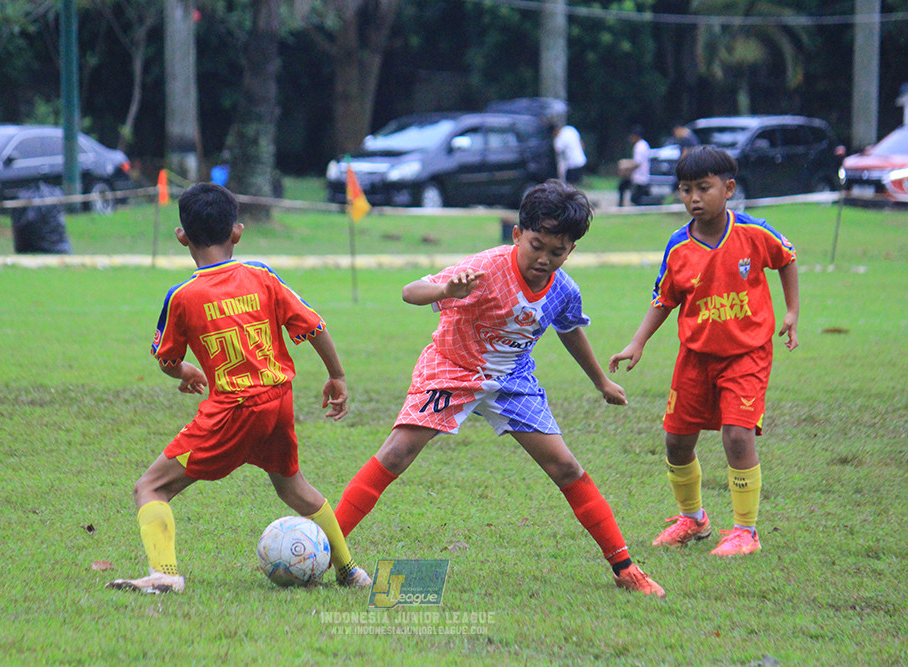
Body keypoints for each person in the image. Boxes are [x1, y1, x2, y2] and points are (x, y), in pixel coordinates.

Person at [333, 179, 666, 597]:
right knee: (397, 452)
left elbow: (570, 330)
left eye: (556, 251)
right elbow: (410, 291)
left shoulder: (564, 290)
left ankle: (625, 568)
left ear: (571, 251)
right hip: (451, 370)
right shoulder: (487, 268)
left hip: (512, 381)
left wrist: (601, 381)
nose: (544, 258)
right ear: (517, 235)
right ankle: (325, 548)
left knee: (566, 467)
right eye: (536, 245)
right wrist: (445, 290)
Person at [107, 183, 371, 594]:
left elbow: (166, 360)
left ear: (181, 236)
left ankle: (164, 573)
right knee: (293, 487)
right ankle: (349, 570)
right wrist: (336, 375)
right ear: (237, 232)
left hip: (232, 410)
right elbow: (315, 325)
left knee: (151, 487)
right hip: (278, 401)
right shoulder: (262, 277)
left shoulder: (182, 296)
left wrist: (186, 373)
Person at [608, 146, 799, 558]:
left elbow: (787, 257)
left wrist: (792, 311)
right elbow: (664, 298)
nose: (694, 198)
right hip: (695, 357)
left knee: (736, 434)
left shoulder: (754, 232)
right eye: (685, 190)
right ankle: (692, 519)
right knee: (676, 439)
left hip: (747, 353)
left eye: (704, 188)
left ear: (728, 189)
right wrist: (637, 342)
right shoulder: (678, 246)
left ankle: (746, 531)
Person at [617, 125, 651, 206]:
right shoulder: (644, 144)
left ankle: (620, 206)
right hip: (640, 175)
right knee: (622, 187)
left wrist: (624, 166)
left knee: (635, 199)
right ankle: (621, 205)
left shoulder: (639, 146)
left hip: (639, 177)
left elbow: (637, 163)